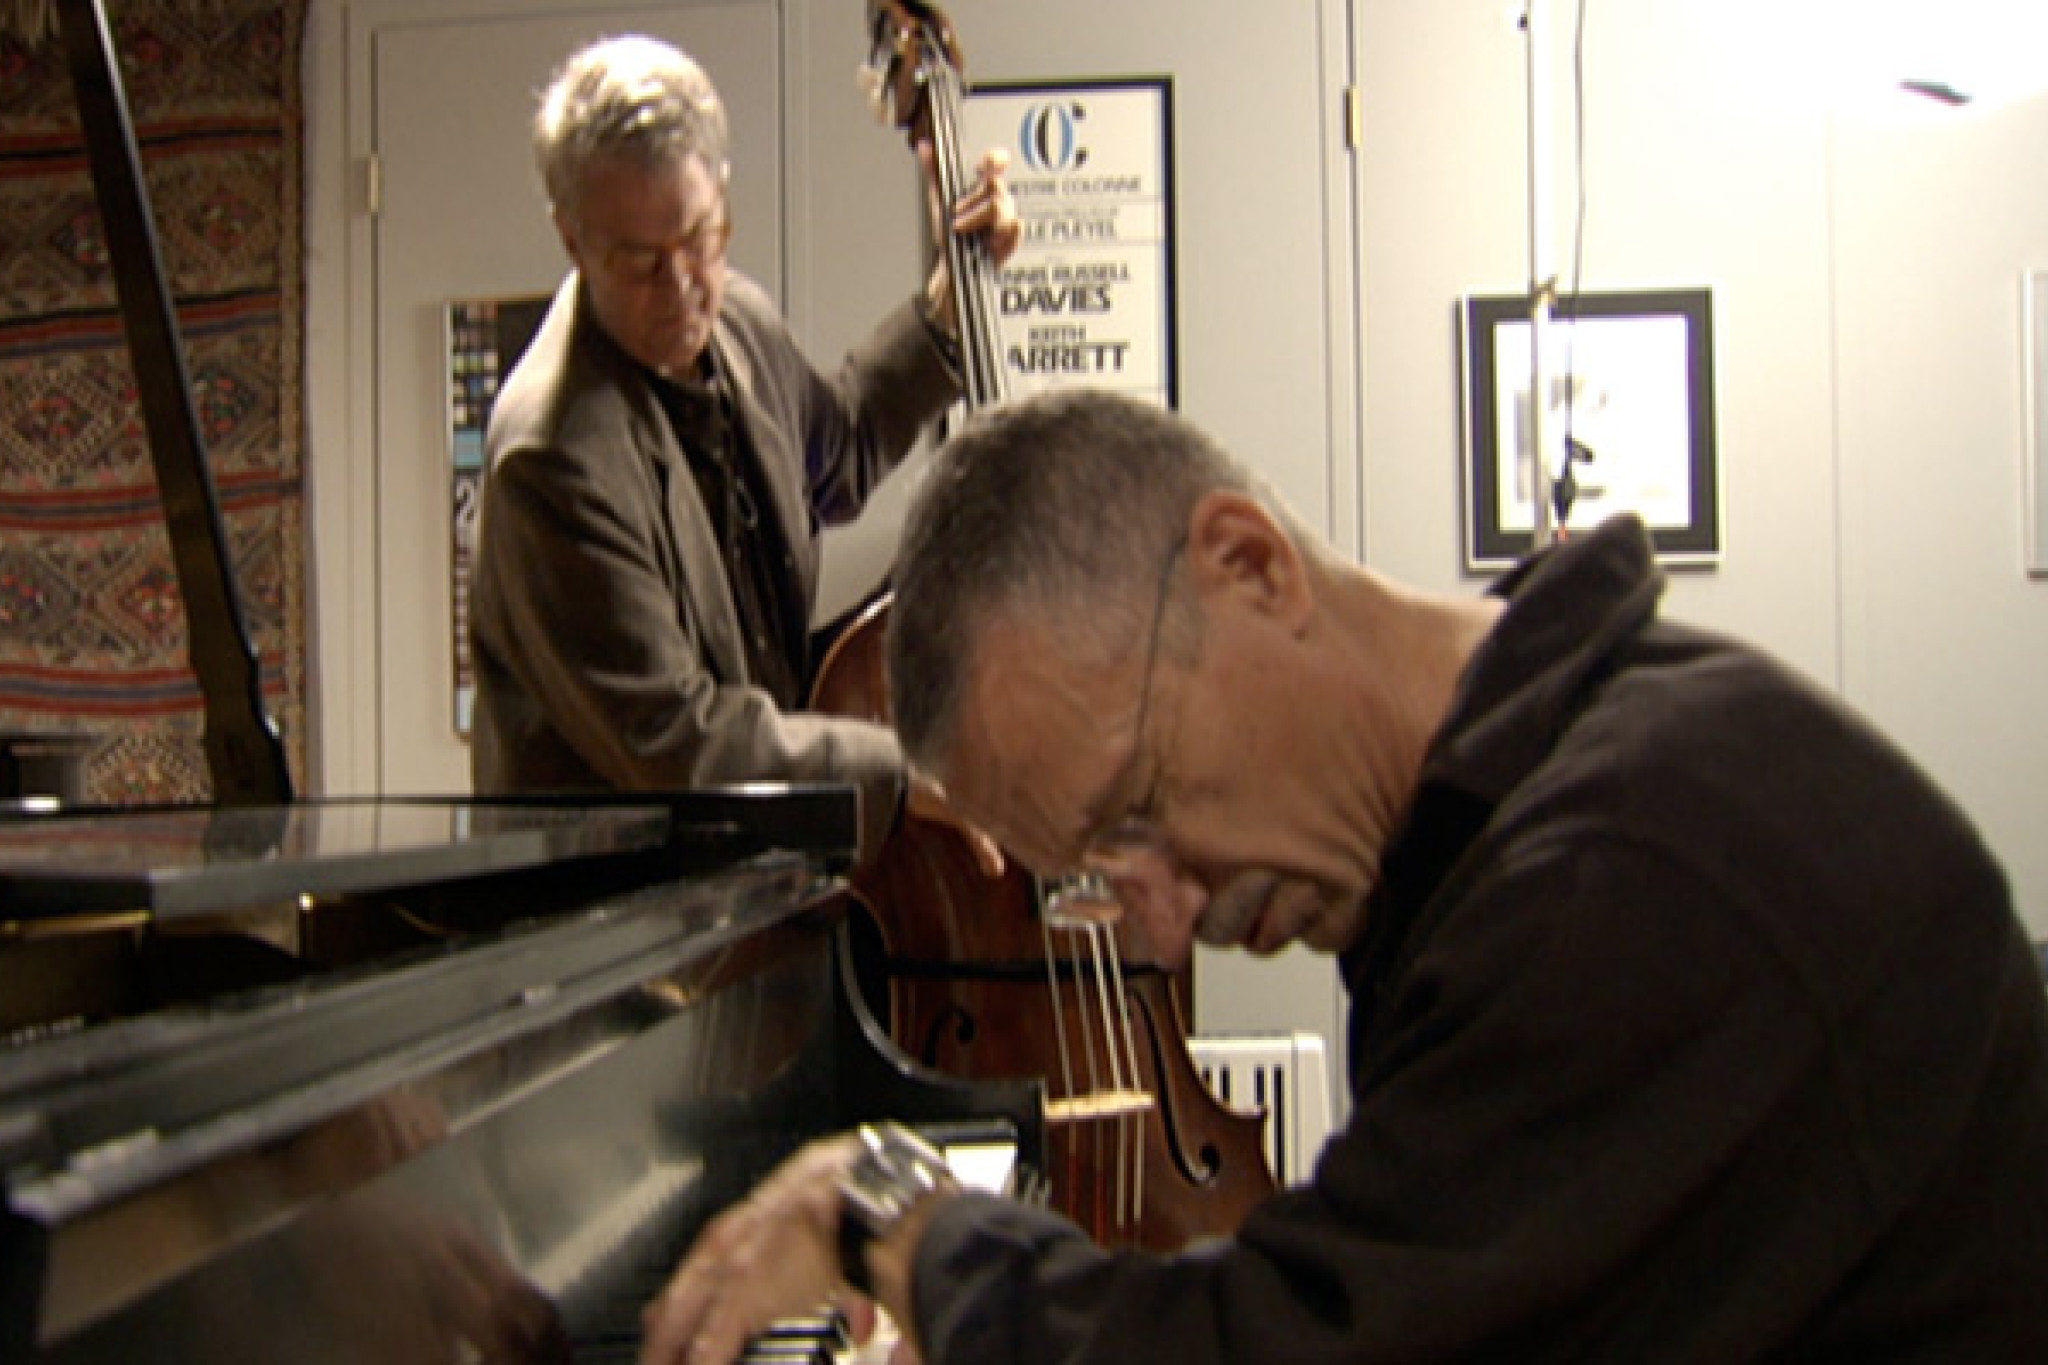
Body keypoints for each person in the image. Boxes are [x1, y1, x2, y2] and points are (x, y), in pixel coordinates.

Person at [640, 389, 2048, 1364]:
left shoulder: (1629, 876)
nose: (1173, 917)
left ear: (1249, 564)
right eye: (1094, 875)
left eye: (1142, 807)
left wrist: (896, 1220)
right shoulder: (1561, 797)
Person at [468, 32, 1017, 858]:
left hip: (746, 887)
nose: (685, 286)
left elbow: (842, 452)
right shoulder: (553, 459)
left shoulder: (739, 321)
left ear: (722, 193)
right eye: (642, 262)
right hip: (622, 936)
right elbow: (683, 742)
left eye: (701, 237)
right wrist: (903, 767)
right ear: (572, 239)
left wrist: (951, 296)